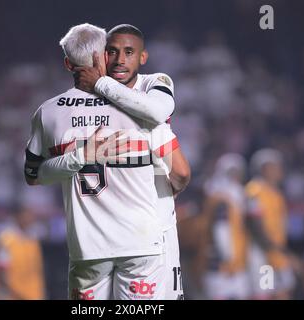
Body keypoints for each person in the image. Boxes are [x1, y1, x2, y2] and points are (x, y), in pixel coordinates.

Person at [24, 23, 189, 300]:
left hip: (87, 247)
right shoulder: (139, 110)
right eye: (113, 52)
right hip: (142, 241)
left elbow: (33, 175)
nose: (120, 60)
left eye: (127, 52)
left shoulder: (48, 112)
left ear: (67, 63)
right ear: (103, 56)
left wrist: (78, 158)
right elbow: (182, 172)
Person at [245, 149, 295, 299]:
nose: (279, 170)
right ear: (264, 168)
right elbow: (256, 227)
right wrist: (276, 249)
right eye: (275, 166)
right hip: (262, 252)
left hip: (276, 251)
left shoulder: (277, 193)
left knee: (283, 291)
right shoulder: (255, 190)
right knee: (265, 293)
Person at [201, 153, 250, 299]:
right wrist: (228, 257)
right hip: (221, 260)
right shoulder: (222, 197)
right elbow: (220, 229)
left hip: (233, 258)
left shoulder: (222, 194)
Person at [0, 204, 46, 300]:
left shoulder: (33, 239)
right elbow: (0, 273)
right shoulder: (6, 239)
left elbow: (37, 270)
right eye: (26, 215)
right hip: (11, 295)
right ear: (17, 217)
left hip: (32, 295)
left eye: (30, 215)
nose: (30, 218)